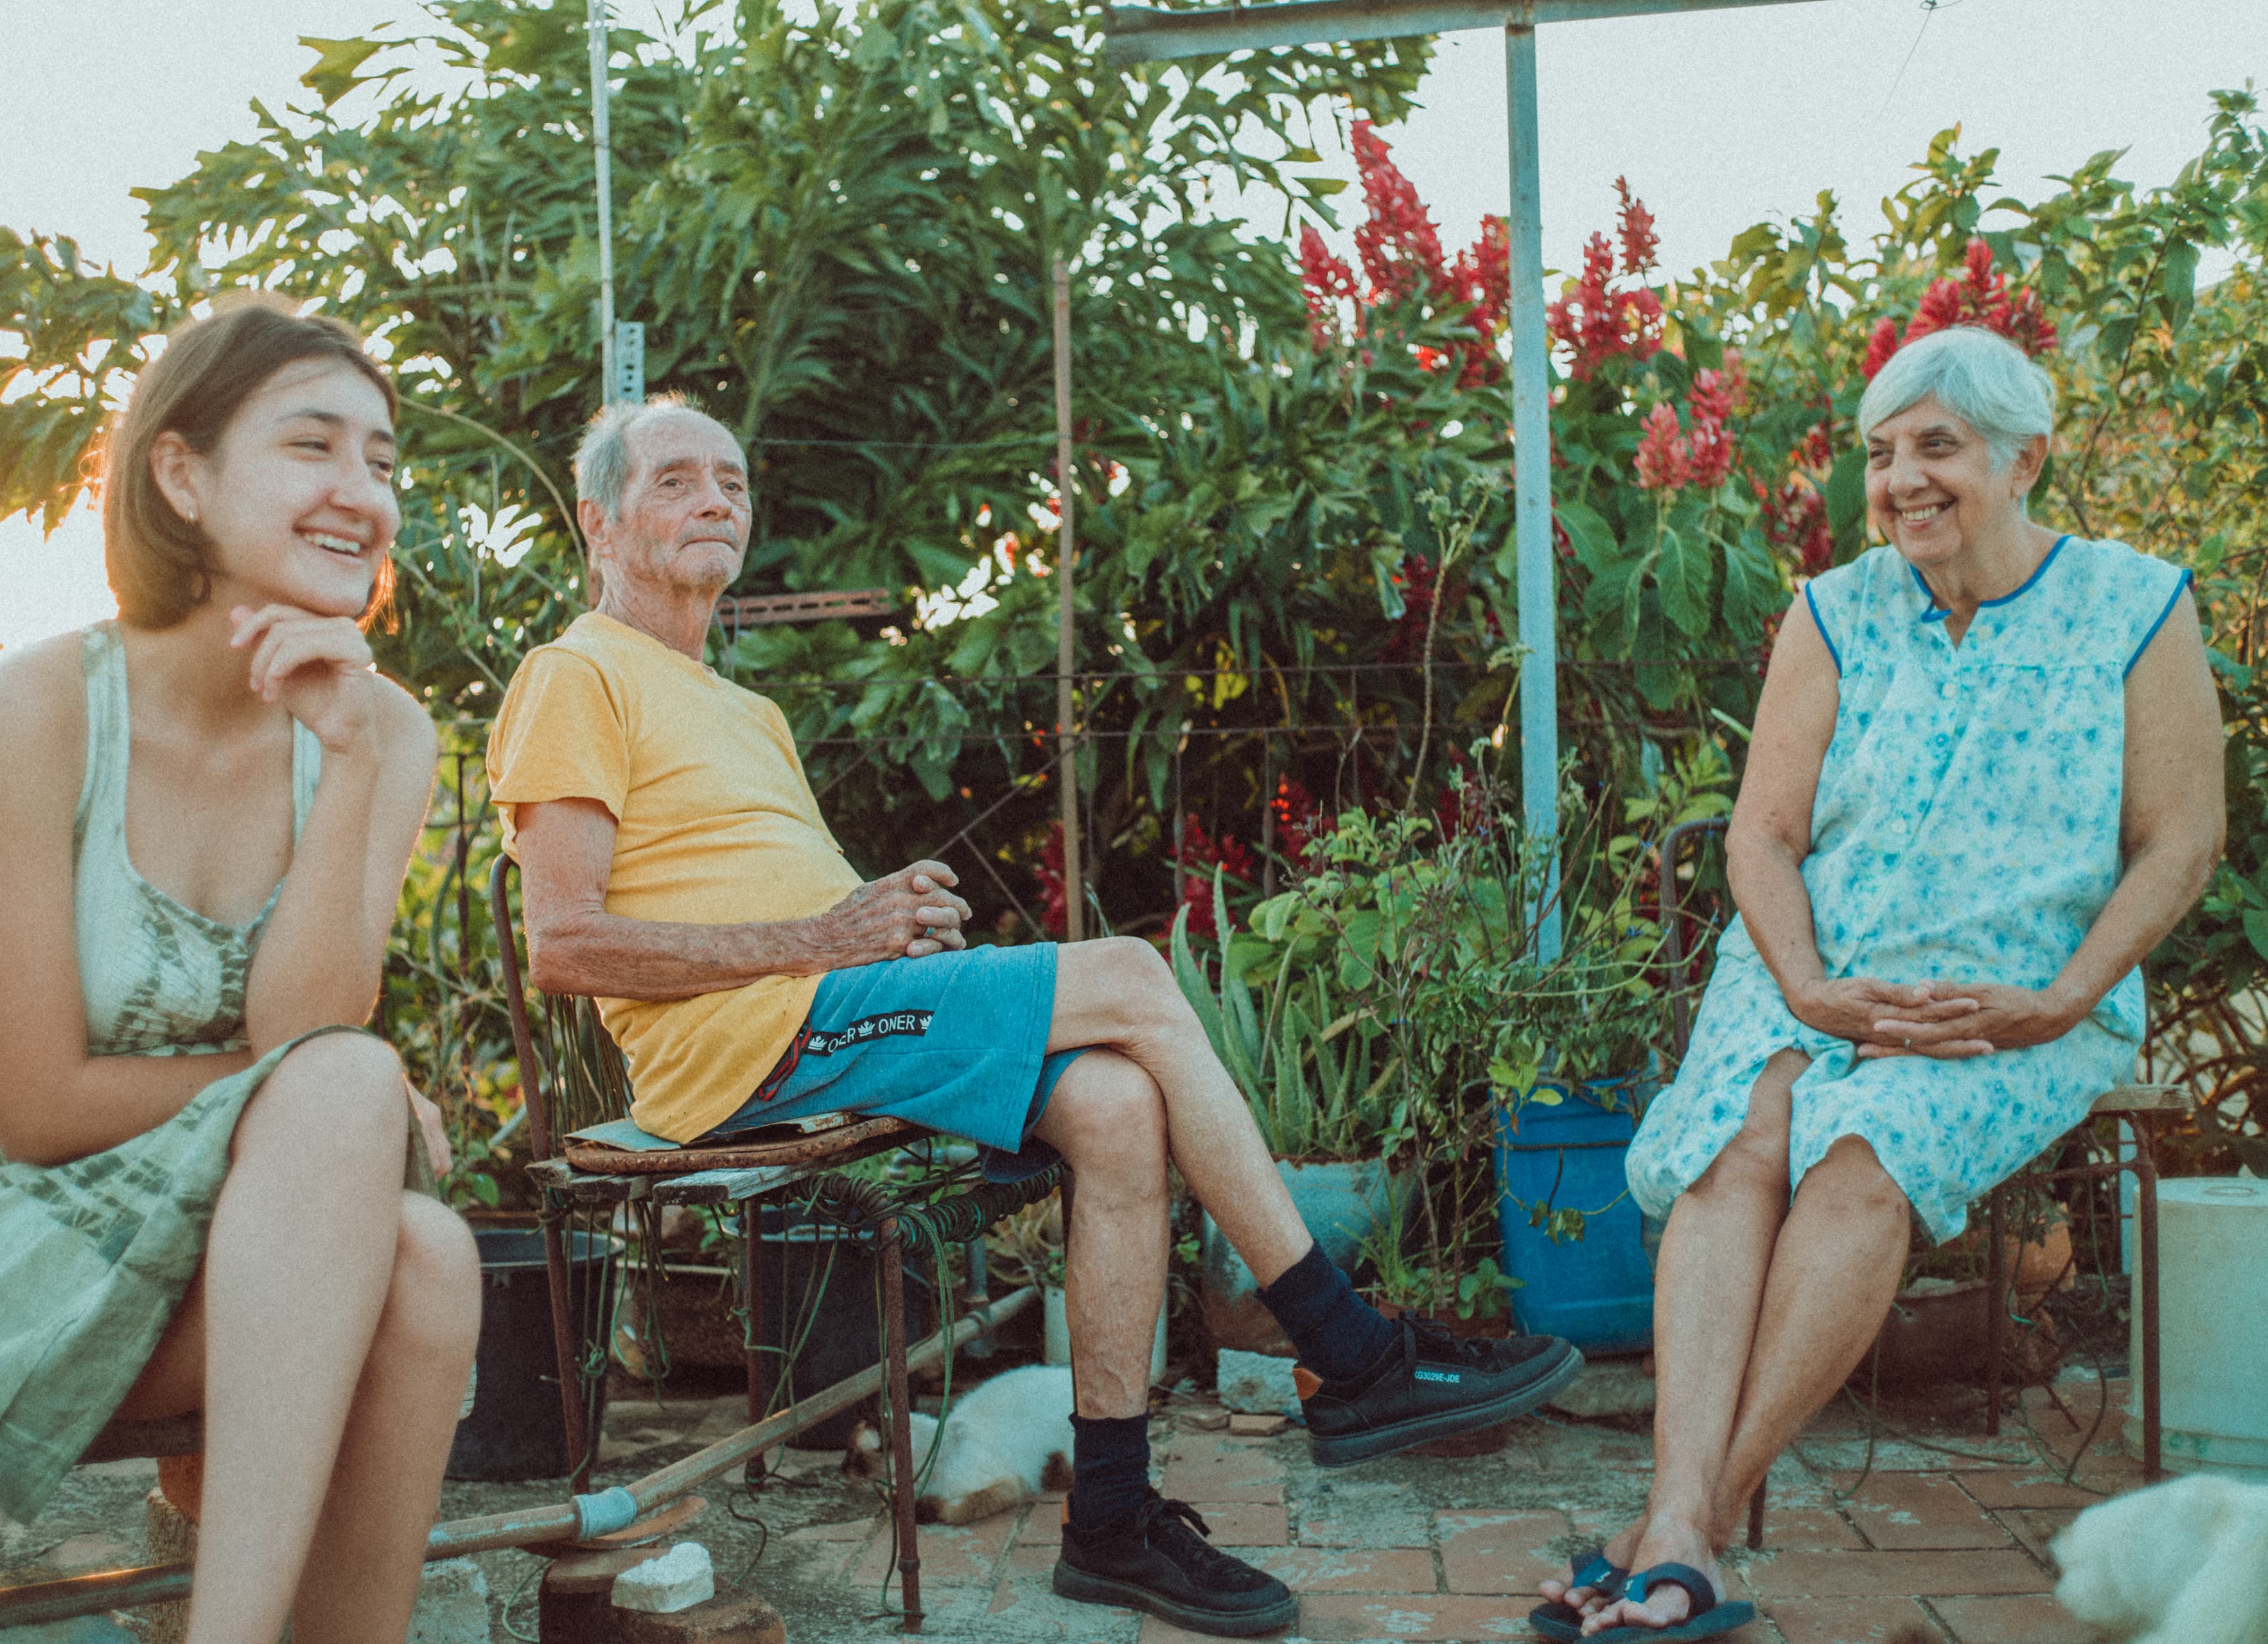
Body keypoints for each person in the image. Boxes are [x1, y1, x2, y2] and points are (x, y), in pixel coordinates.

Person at [485, 394, 1585, 1639]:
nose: (715, 499)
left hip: (832, 1011)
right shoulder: (572, 674)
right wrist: (830, 938)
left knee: (1117, 1104)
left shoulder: (752, 715)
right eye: (675, 479)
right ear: (597, 520)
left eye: (731, 481)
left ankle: (1113, 1515)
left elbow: (809, 913)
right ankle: (1351, 1343)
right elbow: (564, 943)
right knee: (1131, 975)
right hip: (742, 1050)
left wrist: (885, 921)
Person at [1536, 325, 2225, 1640]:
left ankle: (1692, 1517)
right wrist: (1801, 984)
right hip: (1810, 971)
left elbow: (2180, 841)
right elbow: (1763, 834)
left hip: (2012, 993)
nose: (1904, 477)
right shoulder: (1834, 609)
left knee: (1867, 1148)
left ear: (2026, 457)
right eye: (1882, 451)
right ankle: (1682, 1522)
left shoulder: (2136, 606)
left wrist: (2067, 997)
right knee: (1742, 1136)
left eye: (1938, 445)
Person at [0, 297, 470, 1644]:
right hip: (0, 1226)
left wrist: (346, 760)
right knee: (354, 1099)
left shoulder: (383, 731)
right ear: (181, 475)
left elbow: (309, 1024)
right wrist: (318, 1106)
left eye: (384, 460)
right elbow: (37, 1104)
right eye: (313, 445)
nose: (361, 490)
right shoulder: (45, 705)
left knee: (428, 1255)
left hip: (227, 1232)